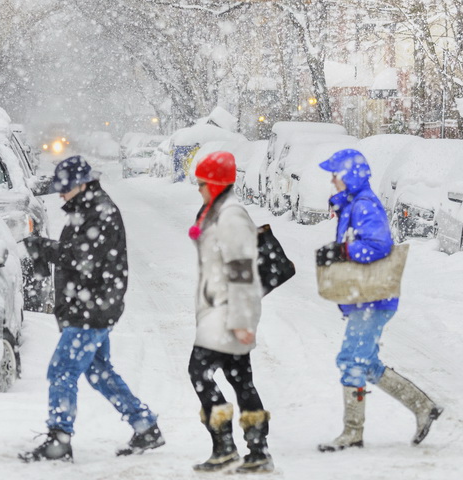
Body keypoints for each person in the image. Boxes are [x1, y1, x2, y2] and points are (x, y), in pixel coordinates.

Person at [18, 155, 163, 463]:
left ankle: (59, 439)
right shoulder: (87, 207)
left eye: (65, 187)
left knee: (62, 370)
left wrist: (45, 248)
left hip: (92, 309)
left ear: (82, 184)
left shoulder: (101, 212)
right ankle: (145, 426)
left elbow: (84, 257)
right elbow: (78, 254)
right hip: (89, 306)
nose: (60, 193)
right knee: (98, 371)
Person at [315, 148, 443, 452]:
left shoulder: (364, 206)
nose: (332, 180)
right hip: (368, 298)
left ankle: (352, 432)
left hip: (372, 300)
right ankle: (423, 406)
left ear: (350, 176)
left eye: (336, 174)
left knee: (352, 361)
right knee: (367, 363)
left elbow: (379, 245)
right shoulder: (354, 204)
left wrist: (344, 253)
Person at [187, 151, 273, 473]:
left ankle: (225, 447)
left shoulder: (231, 215)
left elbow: (241, 270)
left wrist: (241, 321)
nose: (198, 188)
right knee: (240, 379)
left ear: (216, 183)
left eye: (201, 183)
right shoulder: (216, 211)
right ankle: (258, 451)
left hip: (226, 313)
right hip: (218, 309)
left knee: (199, 371)